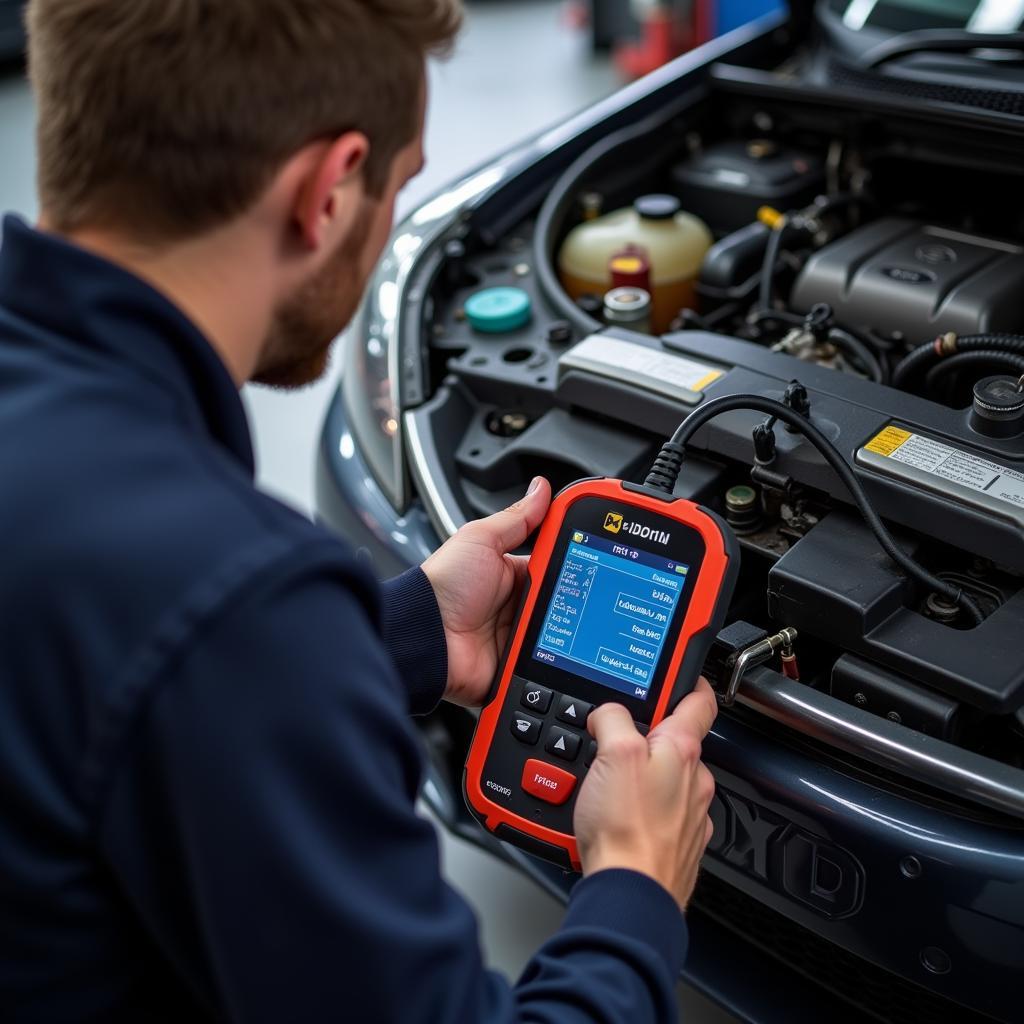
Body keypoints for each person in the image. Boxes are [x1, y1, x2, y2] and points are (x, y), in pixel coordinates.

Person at [0, 1, 719, 1021]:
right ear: (329, 189)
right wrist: (633, 888)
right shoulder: (233, 596)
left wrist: (401, 631)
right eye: (401, 181)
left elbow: (99, 671)